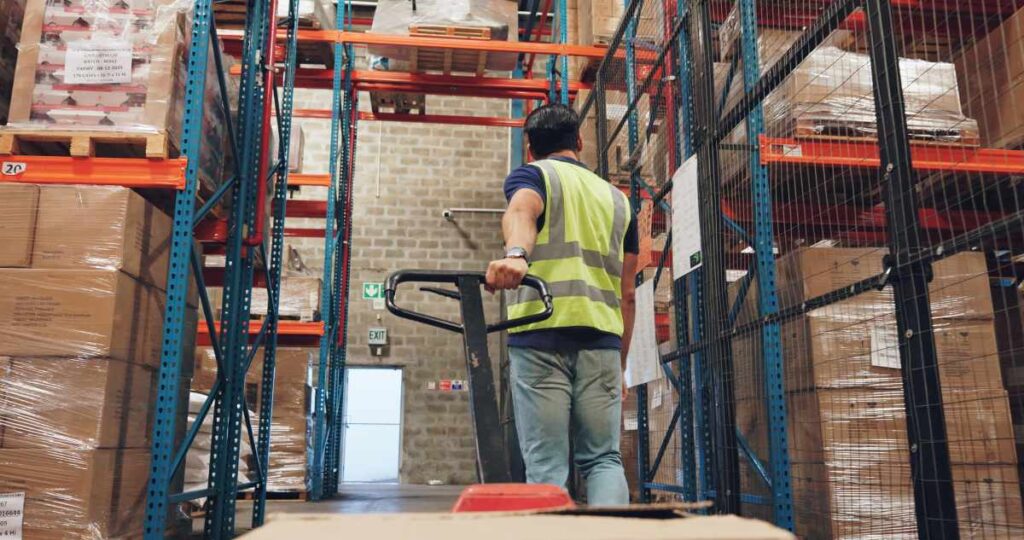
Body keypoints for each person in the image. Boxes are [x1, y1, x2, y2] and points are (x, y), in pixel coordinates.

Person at [485, 103, 638, 505]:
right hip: (602, 342)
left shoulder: (534, 176)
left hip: (540, 338)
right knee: (604, 459)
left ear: (529, 148)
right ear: (580, 142)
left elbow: (522, 210)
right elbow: (628, 293)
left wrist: (516, 253)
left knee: (547, 464)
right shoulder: (619, 201)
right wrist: (619, 365)